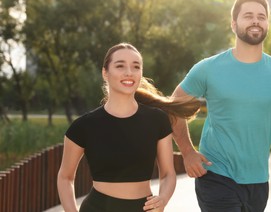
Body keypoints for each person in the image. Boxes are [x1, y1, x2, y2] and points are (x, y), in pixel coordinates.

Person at [171, 0, 271, 212]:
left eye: (261, 16)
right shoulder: (208, 68)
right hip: (216, 174)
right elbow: (174, 107)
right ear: (233, 23)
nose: (256, 20)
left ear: (267, 24)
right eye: (248, 15)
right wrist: (188, 152)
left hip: (258, 181)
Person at [57, 43, 200, 212]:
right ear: (105, 73)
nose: (129, 72)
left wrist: (163, 199)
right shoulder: (83, 126)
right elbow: (65, 177)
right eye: (120, 66)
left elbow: (168, 174)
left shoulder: (157, 120)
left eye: (136, 67)